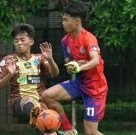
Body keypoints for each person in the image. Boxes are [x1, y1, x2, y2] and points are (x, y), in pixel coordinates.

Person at [42, 1, 108, 135]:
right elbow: (68, 69)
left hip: (95, 89)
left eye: (66, 20)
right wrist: (73, 67)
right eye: (63, 20)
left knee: (91, 132)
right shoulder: (65, 41)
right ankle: (69, 130)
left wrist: (79, 66)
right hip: (79, 83)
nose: (63, 23)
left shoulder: (89, 38)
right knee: (47, 96)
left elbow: (95, 60)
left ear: (77, 21)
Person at [0, 23, 59, 135]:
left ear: (31, 42)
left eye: (22, 39)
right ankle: (36, 122)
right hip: (18, 102)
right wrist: (9, 76)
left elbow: (55, 73)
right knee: (28, 100)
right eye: (16, 41)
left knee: (51, 133)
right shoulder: (8, 60)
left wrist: (50, 59)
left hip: (40, 103)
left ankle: (40, 124)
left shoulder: (40, 58)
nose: (19, 43)